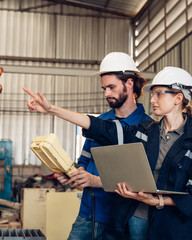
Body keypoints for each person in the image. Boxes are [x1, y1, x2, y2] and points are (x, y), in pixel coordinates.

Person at [24, 66, 192, 240]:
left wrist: (157, 200)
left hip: (176, 228)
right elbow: (101, 128)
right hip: (137, 218)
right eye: (152, 94)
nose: (151, 99)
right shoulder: (146, 131)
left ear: (178, 98)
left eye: (159, 94)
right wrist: (51, 109)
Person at [53, 52, 152, 240]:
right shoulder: (99, 123)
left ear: (129, 84)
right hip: (89, 213)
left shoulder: (147, 129)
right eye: (104, 88)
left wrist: (94, 181)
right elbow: (84, 160)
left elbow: (138, 181)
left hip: (124, 219)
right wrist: (73, 174)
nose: (107, 93)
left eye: (111, 87)